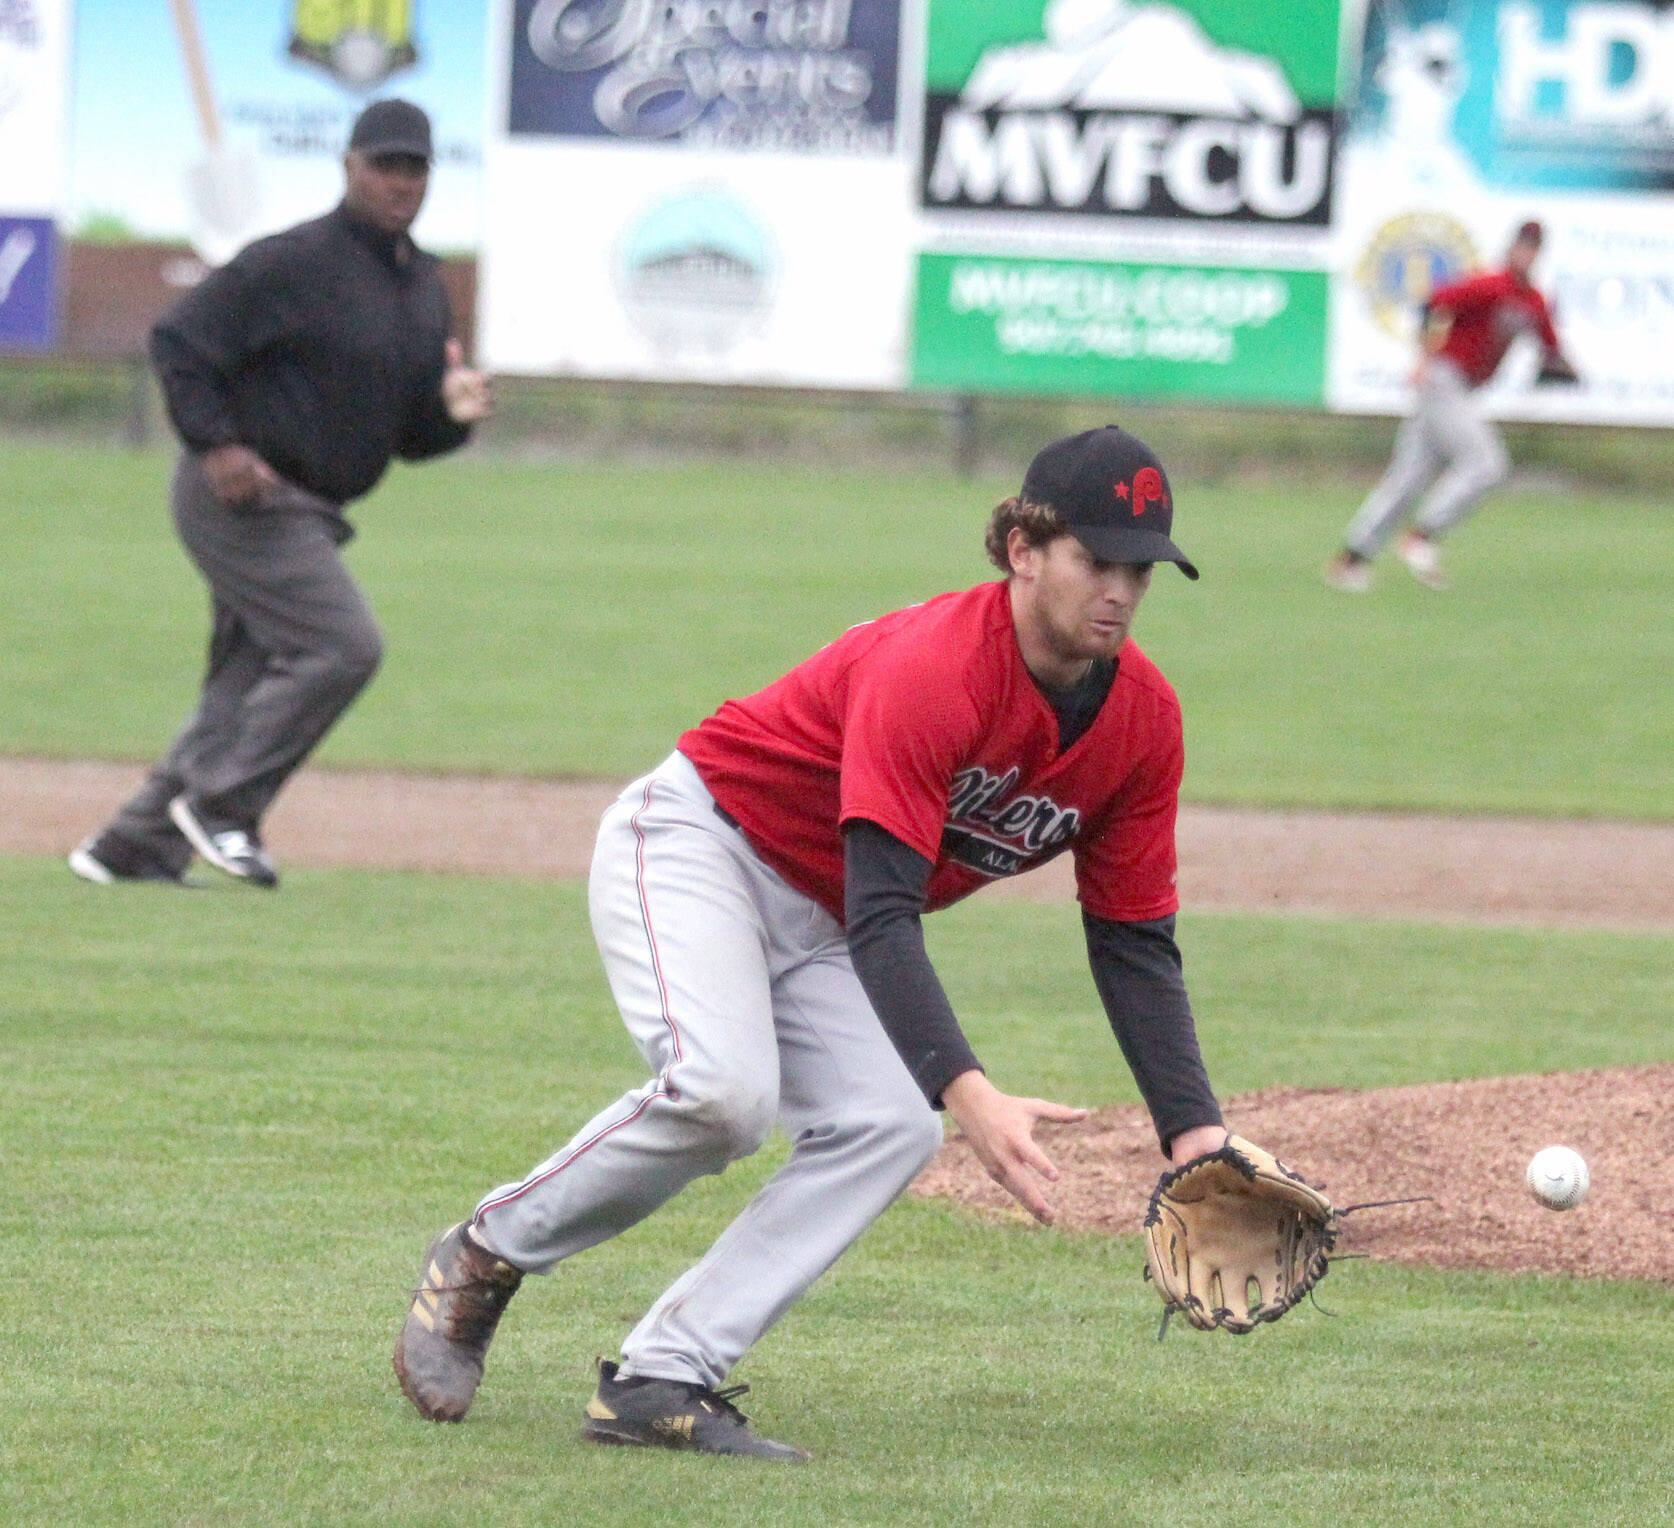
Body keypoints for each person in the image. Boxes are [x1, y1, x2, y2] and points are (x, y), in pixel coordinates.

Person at [393, 426, 1236, 1461]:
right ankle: (482, 1253)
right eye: (1095, 558)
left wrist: (1194, 1130)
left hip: (828, 914)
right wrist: (969, 1090)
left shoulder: (1143, 720)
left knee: (889, 1123)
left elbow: (1134, 941)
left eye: (1140, 566)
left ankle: (666, 1375)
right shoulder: (935, 666)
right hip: (705, 845)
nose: (1120, 588)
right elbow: (887, 913)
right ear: (1023, 546)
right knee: (723, 1093)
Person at [68, 98, 491, 890]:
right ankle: (223, 807)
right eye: (385, 164)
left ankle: (133, 844)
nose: (400, 182)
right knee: (341, 646)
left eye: (415, 168)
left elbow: (404, 432)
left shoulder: (421, 286)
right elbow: (178, 342)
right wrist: (218, 444)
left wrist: (453, 416)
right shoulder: (290, 262)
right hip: (242, 494)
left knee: (241, 684)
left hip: (311, 509)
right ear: (349, 167)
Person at [1326, 219, 1577, 592]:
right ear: (1511, 249)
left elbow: (1552, 349)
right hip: (1443, 380)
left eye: (1533, 247)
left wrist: (1564, 368)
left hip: (1463, 389)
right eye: (1522, 245)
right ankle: (1422, 535)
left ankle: (1351, 560)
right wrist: (1424, 359)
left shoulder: (1533, 301)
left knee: (1407, 480)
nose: (1526, 253)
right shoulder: (1490, 285)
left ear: (1539, 254)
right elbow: (1434, 303)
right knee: (1487, 464)